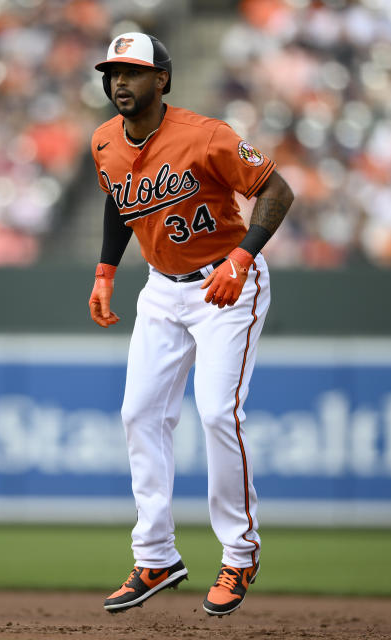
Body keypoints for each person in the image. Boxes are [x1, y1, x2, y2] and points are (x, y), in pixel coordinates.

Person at [88, 33, 294, 616]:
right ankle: (155, 556)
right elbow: (118, 197)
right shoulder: (104, 141)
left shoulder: (205, 136)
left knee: (215, 412)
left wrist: (242, 257)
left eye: (132, 72)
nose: (120, 82)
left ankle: (240, 553)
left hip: (225, 284)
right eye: (113, 72)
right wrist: (106, 270)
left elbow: (278, 189)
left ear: (163, 81)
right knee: (139, 413)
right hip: (161, 288)